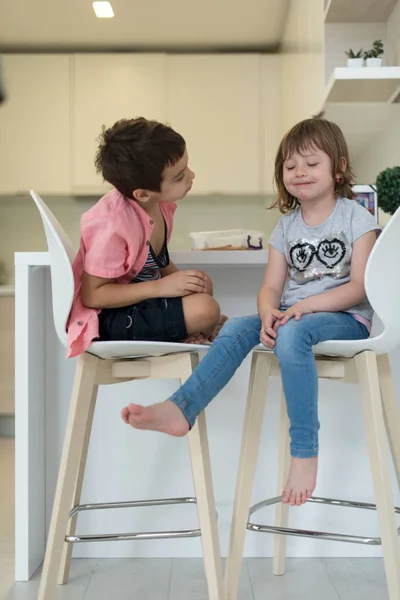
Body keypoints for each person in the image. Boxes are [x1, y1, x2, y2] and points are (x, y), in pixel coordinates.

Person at [122, 117, 380, 507]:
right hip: (296, 316)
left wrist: (304, 307)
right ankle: (181, 408)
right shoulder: (286, 226)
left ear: (339, 167)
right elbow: (272, 287)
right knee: (237, 327)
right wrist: (266, 311)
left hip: (346, 320)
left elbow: (360, 287)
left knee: (293, 332)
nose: (299, 173)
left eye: (311, 164)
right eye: (290, 166)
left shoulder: (356, 218)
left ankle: (305, 452)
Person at [67, 117, 226, 358]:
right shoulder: (112, 223)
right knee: (205, 309)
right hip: (110, 319)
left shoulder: (159, 206)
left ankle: (195, 330)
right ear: (142, 194)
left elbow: (156, 262)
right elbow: (93, 295)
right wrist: (162, 287)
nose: (191, 176)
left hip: (141, 304)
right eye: (180, 176)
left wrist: (185, 285)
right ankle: (197, 329)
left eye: (187, 167)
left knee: (204, 289)